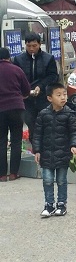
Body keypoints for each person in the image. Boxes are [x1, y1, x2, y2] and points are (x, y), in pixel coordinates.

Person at [32, 83, 76, 217]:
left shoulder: (69, 114)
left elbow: (74, 132)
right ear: (49, 98)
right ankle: (49, 204)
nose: (63, 98)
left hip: (63, 153)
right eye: (58, 95)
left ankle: (61, 204)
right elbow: (37, 134)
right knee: (47, 180)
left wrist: (74, 145)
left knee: (61, 180)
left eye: (64, 94)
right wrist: (37, 150)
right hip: (46, 154)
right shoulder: (43, 114)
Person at [13, 32, 59, 142]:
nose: (31, 49)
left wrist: (41, 86)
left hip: (43, 97)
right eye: (29, 46)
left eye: (34, 46)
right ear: (25, 45)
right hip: (26, 99)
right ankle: (35, 148)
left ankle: (46, 146)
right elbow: (16, 78)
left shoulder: (48, 58)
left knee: (45, 123)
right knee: (31, 123)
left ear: (39, 44)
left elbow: (53, 76)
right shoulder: (19, 59)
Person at [0, 48, 30, 181]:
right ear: (9, 57)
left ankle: (1, 175)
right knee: (16, 140)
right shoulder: (17, 70)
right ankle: (13, 173)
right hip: (16, 108)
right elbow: (27, 90)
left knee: (1, 141)